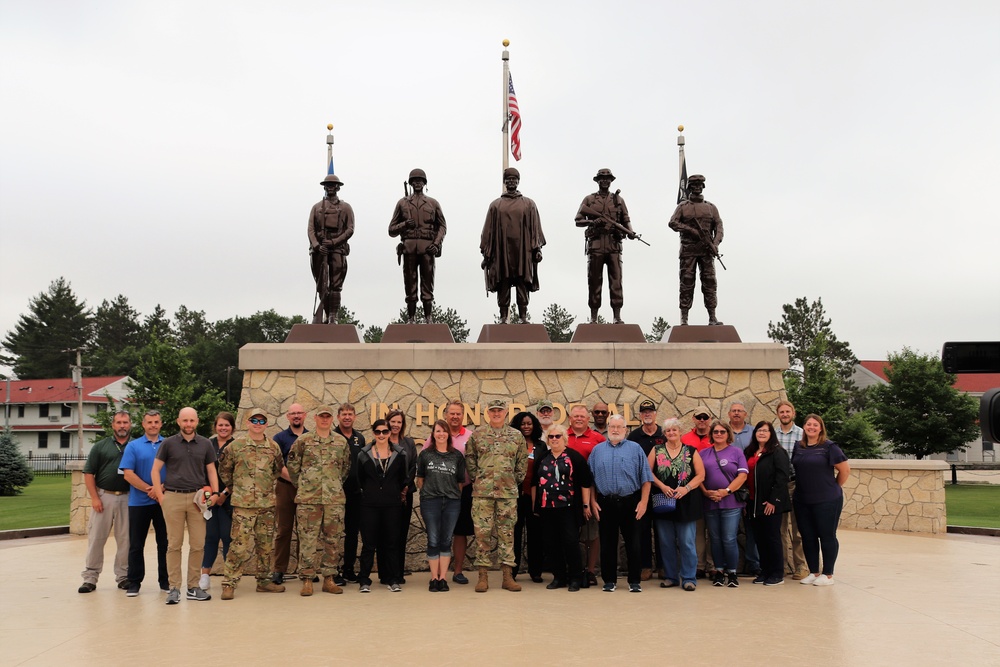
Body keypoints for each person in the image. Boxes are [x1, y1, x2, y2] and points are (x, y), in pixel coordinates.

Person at [151, 407, 220, 604]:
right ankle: (174, 588)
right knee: (174, 545)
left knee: (198, 544)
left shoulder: (205, 444)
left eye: (192, 421)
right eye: (185, 421)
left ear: (197, 422)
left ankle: (193, 586)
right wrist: (160, 496)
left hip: (198, 500)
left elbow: (212, 471)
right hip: (173, 497)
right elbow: (155, 470)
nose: (188, 424)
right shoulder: (168, 443)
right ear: (178, 422)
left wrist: (214, 494)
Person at [218, 409, 286, 600]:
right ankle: (229, 583)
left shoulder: (273, 447)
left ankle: (264, 581)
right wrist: (237, 487)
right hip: (243, 505)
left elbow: (277, 470)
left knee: (265, 546)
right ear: (247, 423)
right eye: (254, 420)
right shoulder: (235, 446)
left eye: (262, 421)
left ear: (266, 424)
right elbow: (224, 470)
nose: (258, 423)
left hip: (266, 506)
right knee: (238, 546)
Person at [286, 406, 351, 596]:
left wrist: (333, 486)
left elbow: (345, 469)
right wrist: (305, 486)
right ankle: (307, 579)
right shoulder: (303, 441)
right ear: (314, 418)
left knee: (332, 540)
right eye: (321, 417)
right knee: (307, 540)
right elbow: (293, 466)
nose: (324, 420)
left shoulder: (341, 442)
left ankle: (329, 578)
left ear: (332, 420)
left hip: (334, 500)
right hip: (309, 500)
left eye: (327, 417)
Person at [465, 398, 529, 592]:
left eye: (499, 411)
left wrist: (511, 481)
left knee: (507, 534)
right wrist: (481, 479)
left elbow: (522, 463)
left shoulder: (516, 436)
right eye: (493, 410)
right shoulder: (478, 435)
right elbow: (470, 460)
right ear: (488, 412)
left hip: (507, 494)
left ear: (506, 412)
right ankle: (482, 576)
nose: (496, 413)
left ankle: (507, 576)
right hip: (482, 494)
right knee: (482, 534)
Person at [588, 414, 654, 593]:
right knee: (608, 543)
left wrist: (644, 502)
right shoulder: (597, 450)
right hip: (605, 502)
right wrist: (593, 502)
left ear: (625, 429)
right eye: (612, 426)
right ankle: (609, 581)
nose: (615, 430)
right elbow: (590, 480)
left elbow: (646, 478)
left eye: (619, 427)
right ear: (607, 428)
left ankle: (634, 581)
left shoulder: (636, 449)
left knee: (634, 542)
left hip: (630, 501)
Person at [531, 423, 592, 591]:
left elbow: (585, 483)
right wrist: (535, 506)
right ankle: (559, 577)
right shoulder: (542, 458)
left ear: (564, 438)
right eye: (551, 436)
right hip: (547, 508)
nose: (554, 439)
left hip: (569, 507)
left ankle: (575, 578)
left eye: (558, 436)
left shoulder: (574, 457)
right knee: (551, 543)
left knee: (571, 541)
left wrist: (586, 505)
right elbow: (535, 484)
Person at [480, 167, 545, 323]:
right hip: (502, 252)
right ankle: (503, 317)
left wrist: (537, 248)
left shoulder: (529, 204)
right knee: (503, 283)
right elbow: (488, 231)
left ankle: (523, 316)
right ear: (505, 182)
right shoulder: (496, 205)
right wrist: (486, 254)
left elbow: (535, 228)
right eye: (508, 179)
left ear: (518, 181)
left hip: (523, 251)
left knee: (523, 283)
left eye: (514, 179)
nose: (511, 181)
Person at [647, 417, 705, 591]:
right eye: (668, 431)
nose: (671, 433)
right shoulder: (656, 450)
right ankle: (671, 576)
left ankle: (689, 578)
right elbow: (648, 473)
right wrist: (662, 486)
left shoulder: (691, 451)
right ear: (664, 434)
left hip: (686, 502)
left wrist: (686, 488)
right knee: (666, 542)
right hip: (663, 500)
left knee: (687, 542)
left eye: (674, 430)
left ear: (680, 431)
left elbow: (700, 475)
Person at [793, 414, 850, 586]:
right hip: (802, 499)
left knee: (827, 535)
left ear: (820, 428)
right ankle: (814, 572)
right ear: (804, 427)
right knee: (808, 536)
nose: (811, 427)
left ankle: (828, 574)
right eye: (808, 424)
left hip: (827, 499)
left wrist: (833, 488)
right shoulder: (798, 446)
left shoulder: (829, 447)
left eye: (815, 425)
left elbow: (845, 470)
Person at [78, 410, 132, 593]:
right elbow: (88, 473)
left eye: (125, 422)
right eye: (119, 422)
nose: (122, 425)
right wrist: (94, 497)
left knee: (125, 540)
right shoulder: (101, 446)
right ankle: (90, 578)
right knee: (96, 539)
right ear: (113, 425)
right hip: (104, 497)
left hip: (128, 497)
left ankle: (123, 576)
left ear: (130, 424)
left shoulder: (135, 446)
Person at [575, 168, 636, 323]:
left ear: (611, 181)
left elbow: (626, 219)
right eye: (602, 178)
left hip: (614, 245)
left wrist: (630, 232)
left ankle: (617, 316)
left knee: (616, 281)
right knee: (594, 281)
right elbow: (578, 220)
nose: (605, 181)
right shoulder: (589, 199)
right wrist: (591, 221)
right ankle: (594, 317)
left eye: (607, 179)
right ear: (597, 181)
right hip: (595, 245)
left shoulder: (618, 200)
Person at [356, 419, 409, 593]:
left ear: (389, 433)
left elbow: (403, 478)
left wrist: (393, 492)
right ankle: (364, 579)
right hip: (369, 505)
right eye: (377, 432)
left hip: (392, 505)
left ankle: (393, 579)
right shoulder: (364, 454)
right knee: (369, 544)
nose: (381, 435)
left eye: (385, 432)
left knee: (391, 543)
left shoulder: (400, 454)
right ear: (373, 433)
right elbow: (360, 479)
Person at [388, 168, 447, 323]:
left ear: (424, 183)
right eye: (415, 181)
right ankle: (411, 317)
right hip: (409, 249)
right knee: (410, 283)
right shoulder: (402, 203)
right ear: (411, 183)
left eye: (420, 181)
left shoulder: (433, 203)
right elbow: (391, 230)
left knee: (428, 284)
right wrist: (404, 224)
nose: (418, 183)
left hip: (427, 248)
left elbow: (442, 226)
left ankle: (428, 317)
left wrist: (436, 243)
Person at [425, 400, 475, 585]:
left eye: (458, 413)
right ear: (445, 415)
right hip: (438, 492)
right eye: (451, 413)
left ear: (463, 416)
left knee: (460, 532)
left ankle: (458, 571)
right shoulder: (435, 436)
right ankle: (437, 573)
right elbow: (424, 463)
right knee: (437, 532)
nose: (455, 416)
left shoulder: (471, 436)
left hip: (464, 491)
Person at [121, 410, 169, 597]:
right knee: (136, 544)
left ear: (161, 423)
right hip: (138, 503)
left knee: (164, 543)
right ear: (143, 424)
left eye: (156, 422)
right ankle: (134, 582)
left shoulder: (168, 444)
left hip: (163, 502)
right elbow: (128, 474)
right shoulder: (133, 446)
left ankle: (165, 581)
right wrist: (151, 489)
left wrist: (160, 489)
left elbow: (175, 470)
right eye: (149, 422)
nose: (153, 425)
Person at [416, 419, 466, 592]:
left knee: (446, 540)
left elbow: (460, 482)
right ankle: (433, 578)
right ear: (433, 434)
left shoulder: (457, 456)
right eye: (438, 431)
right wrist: (430, 493)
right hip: (431, 501)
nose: (441, 434)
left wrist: (451, 494)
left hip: (452, 502)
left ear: (448, 434)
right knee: (433, 539)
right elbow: (420, 479)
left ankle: (443, 578)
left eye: (444, 431)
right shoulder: (425, 455)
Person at [668, 173, 724, 325]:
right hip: (689, 250)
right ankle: (684, 319)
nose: (697, 187)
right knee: (686, 283)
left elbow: (719, 227)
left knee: (710, 283)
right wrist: (690, 230)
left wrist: (716, 243)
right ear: (690, 187)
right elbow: (673, 223)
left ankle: (712, 317)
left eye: (700, 184)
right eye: (694, 185)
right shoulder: (683, 207)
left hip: (707, 251)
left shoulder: (711, 208)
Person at [700, 420, 747, 588]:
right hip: (710, 502)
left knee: (728, 538)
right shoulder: (704, 453)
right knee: (715, 539)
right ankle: (719, 572)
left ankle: (732, 573)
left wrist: (725, 491)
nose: (718, 434)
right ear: (711, 434)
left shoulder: (736, 452)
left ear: (728, 434)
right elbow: (698, 476)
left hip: (731, 503)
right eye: (715, 432)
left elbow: (742, 476)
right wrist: (706, 492)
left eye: (722, 432)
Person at [743, 421, 791, 586]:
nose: (762, 433)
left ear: (771, 434)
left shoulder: (777, 452)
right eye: (759, 430)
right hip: (752, 503)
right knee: (760, 539)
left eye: (765, 430)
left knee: (772, 538)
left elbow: (782, 477)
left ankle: (777, 573)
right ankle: (765, 571)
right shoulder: (749, 452)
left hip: (769, 503)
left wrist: (773, 501)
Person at [565, 403, 605, 586]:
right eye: (575, 416)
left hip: (591, 493)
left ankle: (590, 571)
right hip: (566, 494)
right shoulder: (562, 436)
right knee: (570, 534)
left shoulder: (597, 439)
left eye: (582, 416)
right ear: (570, 418)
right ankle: (572, 569)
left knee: (592, 534)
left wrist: (593, 498)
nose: (579, 419)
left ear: (588, 419)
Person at [309, 173, 355, 324]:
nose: (330, 187)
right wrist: (317, 246)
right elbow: (310, 230)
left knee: (336, 284)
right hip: (319, 250)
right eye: (327, 185)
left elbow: (350, 229)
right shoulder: (316, 208)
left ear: (337, 187)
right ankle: (325, 314)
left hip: (337, 249)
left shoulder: (346, 207)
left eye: (332, 185)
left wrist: (334, 242)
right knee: (321, 284)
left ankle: (332, 317)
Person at [628, 399, 666, 582]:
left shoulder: (664, 434)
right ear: (640, 415)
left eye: (650, 411)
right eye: (644, 412)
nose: (647, 414)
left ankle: (662, 566)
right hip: (640, 490)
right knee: (641, 529)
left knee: (662, 529)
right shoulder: (633, 436)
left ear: (656, 413)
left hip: (661, 490)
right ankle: (645, 566)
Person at [510, 411, 547, 583]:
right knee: (515, 533)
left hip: (534, 496)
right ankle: (512, 570)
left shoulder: (541, 446)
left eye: (529, 423)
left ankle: (536, 571)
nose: (526, 426)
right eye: (523, 424)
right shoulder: (512, 444)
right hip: (515, 495)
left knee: (536, 533)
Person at [271, 404, 307, 585]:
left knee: (306, 531)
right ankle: (279, 570)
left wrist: (304, 483)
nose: (296, 416)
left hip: (308, 490)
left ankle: (306, 570)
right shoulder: (280, 438)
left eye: (299, 413)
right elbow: (278, 464)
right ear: (288, 416)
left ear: (305, 415)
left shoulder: (312, 437)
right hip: (286, 487)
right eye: (293, 413)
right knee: (284, 530)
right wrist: (295, 481)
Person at [200, 412, 235, 591]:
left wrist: (224, 494)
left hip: (229, 499)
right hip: (209, 500)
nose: (223, 428)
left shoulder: (237, 446)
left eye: (227, 425)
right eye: (220, 425)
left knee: (228, 537)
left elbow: (239, 474)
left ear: (232, 428)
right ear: (215, 427)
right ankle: (205, 575)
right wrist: (209, 495)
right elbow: (200, 470)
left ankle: (229, 578)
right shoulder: (207, 444)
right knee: (210, 537)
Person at [774, 400, 809, 579]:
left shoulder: (802, 434)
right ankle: (781, 565)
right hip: (779, 486)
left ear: (793, 413)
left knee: (798, 528)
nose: (785, 414)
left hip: (797, 484)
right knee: (780, 529)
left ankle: (800, 566)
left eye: (788, 411)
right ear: (778, 414)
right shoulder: (773, 435)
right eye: (782, 412)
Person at [682, 406, 715, 578]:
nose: (702, 420)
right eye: (698, 417)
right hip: (694, 491)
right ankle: (700, 565)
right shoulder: (685, 439)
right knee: (698, 531)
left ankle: (713, 564)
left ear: (710, 419)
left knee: (716, 531)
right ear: (693, 419)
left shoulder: (718, 435)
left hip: (717, 492)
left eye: (705, 417)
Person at [335, 403, 365, 584]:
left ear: (354, 417)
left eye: (350, 414)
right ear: (338, 417)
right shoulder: (332, 436)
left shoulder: (359, 438)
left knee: (353, 533)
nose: (347, 417)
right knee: (334, 533)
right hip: (335, 493)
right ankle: (333, 570)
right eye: (344, 414)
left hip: (355, 493)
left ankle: (348, 569)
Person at [386, 409, 417, 585]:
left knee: (401, 534)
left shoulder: (409, 443)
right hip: (387, 496)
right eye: (393, 421)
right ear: (387, 422)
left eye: (399, 422)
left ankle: (398, 572)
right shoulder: (381, 441)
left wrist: (405, 487)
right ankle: (387, 573)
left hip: (406, 494)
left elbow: (413, 466)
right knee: (388, 535)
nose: (396, 425)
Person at [728, 401, 759, 576]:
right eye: (734, 411)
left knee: (751, 529)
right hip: (727, 488)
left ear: (745, 414)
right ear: (729, 414)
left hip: (749, 488)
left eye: (740, 411)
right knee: (727, 531)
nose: (737, 413)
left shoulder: (754, 433)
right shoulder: (723, 431)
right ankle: (726, 565)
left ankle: (753, 564)